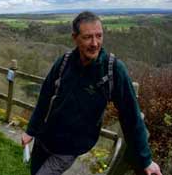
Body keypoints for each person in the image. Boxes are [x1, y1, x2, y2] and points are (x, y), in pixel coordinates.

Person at [21, 11, 162, 175]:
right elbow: (44, 97)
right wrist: (31, 130)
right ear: (75, 38)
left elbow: (131, 116)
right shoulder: (64, 62)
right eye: (88, 37)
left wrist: (145, 160)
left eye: (99, 36)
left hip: (70, 147)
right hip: (45, 137)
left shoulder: (113, 70)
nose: (95, 43)